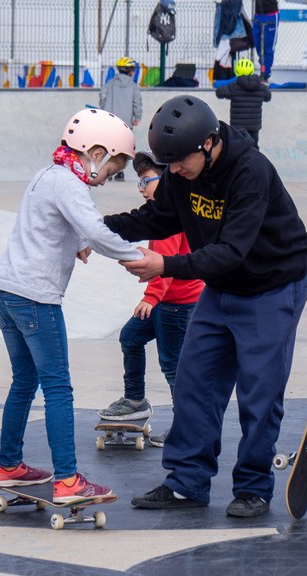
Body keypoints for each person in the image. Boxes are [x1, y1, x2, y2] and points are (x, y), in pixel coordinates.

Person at [104, 95, 307, 517]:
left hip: (271, 285)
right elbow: (158, 217)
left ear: (208, 144)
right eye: (168, 166)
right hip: (223, 287)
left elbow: (231, 251)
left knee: (259, 392)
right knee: (194, 382)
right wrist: (95, 230)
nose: (175, 173)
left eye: (180, 163)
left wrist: (164, 265)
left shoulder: (250, 171)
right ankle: (187, 481)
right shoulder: (181, 171)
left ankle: (253, 486)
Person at [0, 108, 144, 502]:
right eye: (114, 165)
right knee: (58, 388)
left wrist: (77, 245)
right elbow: (93, 226)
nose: (111, 175)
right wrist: (134, 256)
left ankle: (8, 467)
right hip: (36, 298)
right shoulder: (71, 185)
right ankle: (68, 481)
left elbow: (48, 222)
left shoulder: (48, 175)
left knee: (24, 382)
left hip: (6, 291)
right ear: (96, 151)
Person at [97, 150, 204, 448]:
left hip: (177, 304)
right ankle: (135, 399)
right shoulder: (161, 213)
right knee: (130, 337)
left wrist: (152, 297)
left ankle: (186, 426)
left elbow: (166, 262)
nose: (142, 189)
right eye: (139, 183)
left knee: (173, 365)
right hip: (162, 301)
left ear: (168, 180)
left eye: (147, 181)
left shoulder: (173, 214)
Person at [99, 56, 142, 181]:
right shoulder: (133, 86)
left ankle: (107, 171)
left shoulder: (110, 83)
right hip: (125, 124)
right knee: (122, 147)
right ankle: (119, 172)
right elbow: (137, 103)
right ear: (130, 71)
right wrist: (137, 117)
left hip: (110, 121)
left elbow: (102, 96)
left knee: (108, 146)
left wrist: (103, 109)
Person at [214, 58, 271, 148]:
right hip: (254, 126)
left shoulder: (234, 86)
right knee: (254, 148)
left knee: (238, 148)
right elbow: (268, 97)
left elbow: (219, 93)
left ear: (237, 71)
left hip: (238, 127)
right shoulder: (260, 86)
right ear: (252, 70)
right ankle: (254, 162)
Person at [253, 0, 279, 81]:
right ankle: (263, 67)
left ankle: (265, 74)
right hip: (258, 15)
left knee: (268, 47)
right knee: (257, 44)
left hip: (271, 15)